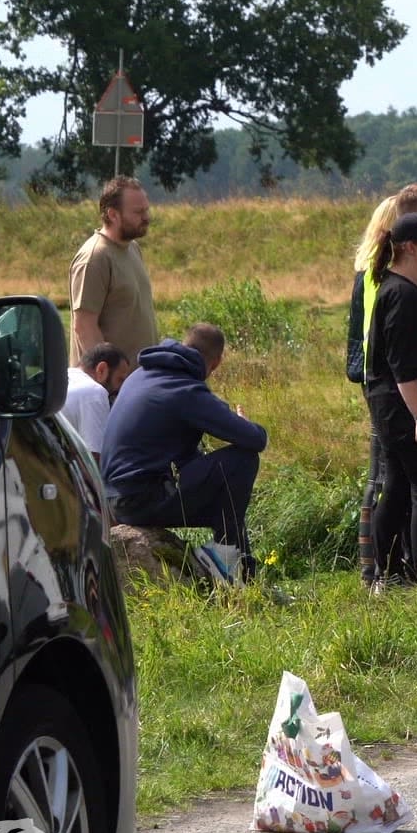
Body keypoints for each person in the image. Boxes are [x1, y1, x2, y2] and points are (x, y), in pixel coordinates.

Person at [347, 185, 417, 586]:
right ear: (411, 247)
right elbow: (401, 366)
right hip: (409, 414)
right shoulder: (401, 295)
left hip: (401, 412)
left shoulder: (402, 290)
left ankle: (389, 572)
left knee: (396, 489)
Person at [100, 323, 266, 575]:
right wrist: (244, 423)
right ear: (217, 362)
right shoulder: (186, 390)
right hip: (140, 499)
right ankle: (224, 557)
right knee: (242, 459)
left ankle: (241, 572)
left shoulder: (140, 376)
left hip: (114, 499)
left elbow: (183, 456)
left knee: (225, 502)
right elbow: (256, 439)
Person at [70, 176, 158, 364]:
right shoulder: (94, 258)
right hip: (111, 389)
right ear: (113, 214)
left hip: (136, 384)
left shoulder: (133, 248)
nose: (146, 218)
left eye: (146, 210)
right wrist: (109, 381)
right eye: (138, 212)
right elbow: (84, 327)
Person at [62, 343, 132, 464]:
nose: (122, 388)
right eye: (120, 379)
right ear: (102, 370)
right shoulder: (94, 392)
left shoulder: (68, 377)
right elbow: (94, 459)